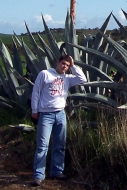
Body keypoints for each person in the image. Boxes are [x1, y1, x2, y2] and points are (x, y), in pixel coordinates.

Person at [30, 54, 87, 187]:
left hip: (60, 113)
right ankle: (38, 175)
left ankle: (56, 171)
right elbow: (36, 92)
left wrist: (74, 65)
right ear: (57, 62)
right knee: (42, 145)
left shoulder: (67, 78)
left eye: (67, 65)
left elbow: (82, 79)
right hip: (45, 114)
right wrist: (34, 111)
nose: (64, 67)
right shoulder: (45, 74)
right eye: (63, 63)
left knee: (60, 145)